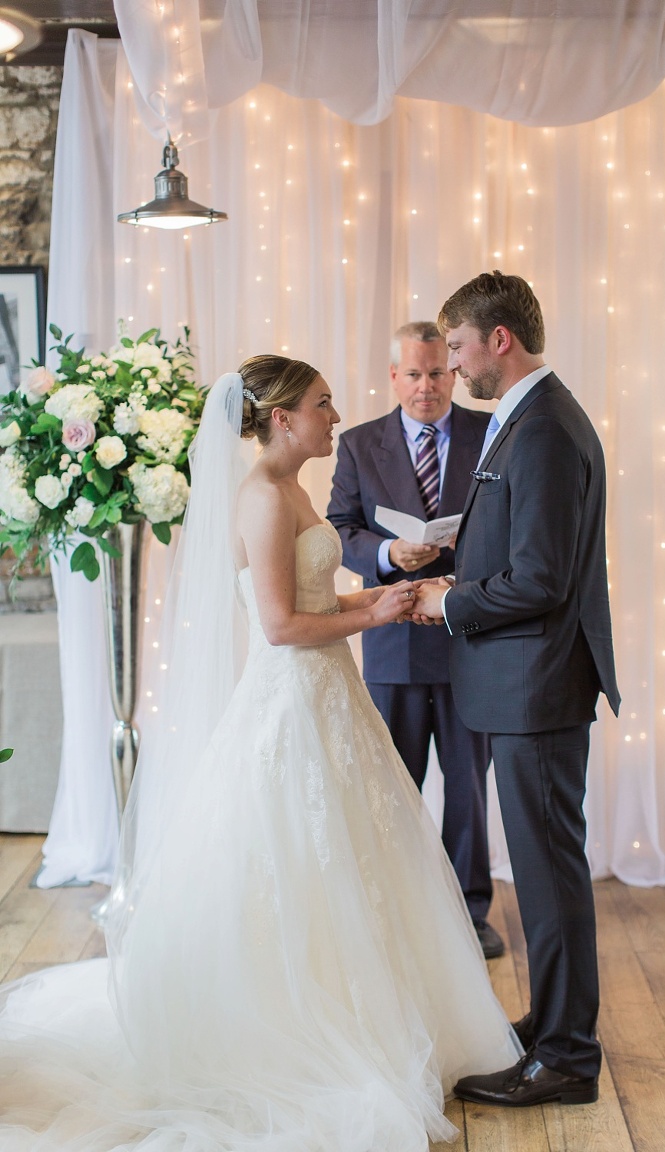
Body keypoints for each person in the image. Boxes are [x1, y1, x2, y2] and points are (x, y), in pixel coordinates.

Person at [0, 356, 520, 1151]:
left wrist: (375, 598)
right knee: (298, 863)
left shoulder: (293, 489)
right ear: (281, 419)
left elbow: (309, 601)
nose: (335, 415)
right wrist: (371, 619)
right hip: (293, 700)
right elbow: (279, 628)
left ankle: (384, 1016)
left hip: (328, 694)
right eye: (321, 404)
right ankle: (304, 1028)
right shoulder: (262, 497)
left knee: (357, 862)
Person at [411, 272, 620, 1108]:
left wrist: (449, 602)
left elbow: (539, 578)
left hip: (535, 687)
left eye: (457, 347)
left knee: (548, 872)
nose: (452, 366)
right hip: (527, 684)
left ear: (500, 339)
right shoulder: (533, 418)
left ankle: (567, 1056)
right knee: (543, 869)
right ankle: (555, 1023)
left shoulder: (540, 429)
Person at [327, 321, 502, 960]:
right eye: (413, 374)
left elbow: (510, 523)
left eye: (436, 372)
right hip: (393, 641)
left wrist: (468, 560)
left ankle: (469, 915)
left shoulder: (491, 434)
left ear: (453, 373)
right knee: (392, 789)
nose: (426, 387)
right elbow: (340, 529)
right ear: (393, 376)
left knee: (468, 789)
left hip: (469, 641)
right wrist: (386, 554)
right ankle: (395, 910)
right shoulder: (358, 443)